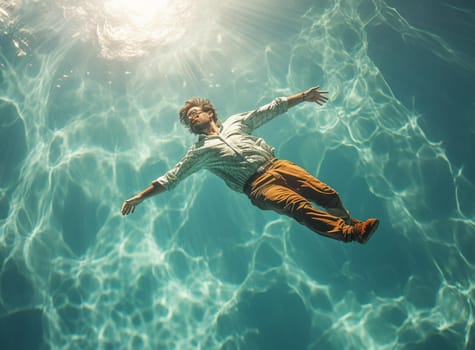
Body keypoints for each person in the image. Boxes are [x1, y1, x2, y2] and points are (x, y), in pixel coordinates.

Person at [121, 86, 379, 243]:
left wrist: (303, 96)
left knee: (327, 194)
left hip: (277, 165)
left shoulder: (236, 123)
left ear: (209, 113)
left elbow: (269, 109)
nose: (193, 117)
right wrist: (139, 197)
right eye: (189, 119)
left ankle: (353, 223)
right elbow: (171, 178)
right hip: (256, 186)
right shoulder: (198, 152)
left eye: (196, 112)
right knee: (297, 207)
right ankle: (350, 233)